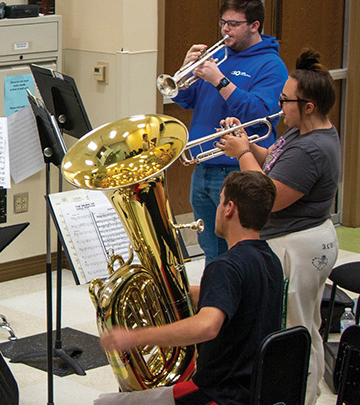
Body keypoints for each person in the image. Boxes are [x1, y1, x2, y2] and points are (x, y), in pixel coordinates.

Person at [217, 48, 341, 405]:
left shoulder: (312, 149)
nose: (279, 104)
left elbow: (266, 196)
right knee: (299, 324)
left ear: (309, 106)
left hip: (299, 245)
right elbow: (274, 159)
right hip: (297, 239)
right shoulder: (301, 133)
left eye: (286, 100)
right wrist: (249, 146)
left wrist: (241, 154)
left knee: (293, 329)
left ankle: (297, 396)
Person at [95, 171, 283, 405]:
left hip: (217, 395)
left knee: (105, 403)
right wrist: (172, 291)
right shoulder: (270, 259)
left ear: (229, 208)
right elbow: (240, 298)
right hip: (254, 390)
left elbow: (207, 326)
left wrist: (135, 336)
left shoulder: (225, 266)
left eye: (221, 200)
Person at [169, 0, 287, 263]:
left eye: (233, 23)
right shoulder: (218, 55)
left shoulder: (271, 66)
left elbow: (262, 115)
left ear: (255, 26)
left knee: (235, 254)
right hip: (203, 168)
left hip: (238, 170)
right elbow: (185, 99)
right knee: (211, 251)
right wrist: (186, 70)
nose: (225, 29)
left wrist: (220, 81)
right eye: (223, 22)